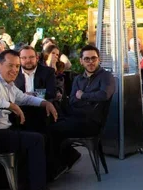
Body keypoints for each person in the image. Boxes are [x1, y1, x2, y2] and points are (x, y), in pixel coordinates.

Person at [0, 50, 61, 190]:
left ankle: (24, 182)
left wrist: (44, 103)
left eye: (17, 66)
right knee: (36, 140)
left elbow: (24, 98)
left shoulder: (8, 85)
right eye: (10, 65)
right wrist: (12, 106)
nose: (15, 70)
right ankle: (37, 188)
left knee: (34, 136)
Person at [47, 45, 115, 175]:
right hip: (75, 117)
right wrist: (89, 98)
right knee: (48, 124)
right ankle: (65, 160)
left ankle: (58, 166)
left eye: (93, 58)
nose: (90, 62)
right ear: (81, 61)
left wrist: (83, 96)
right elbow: (73, 99)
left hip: (92, 122)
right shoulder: (78, 79)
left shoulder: (106, 77)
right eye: (87, 59)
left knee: (53, 130)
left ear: (99, 59)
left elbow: (104, 95)